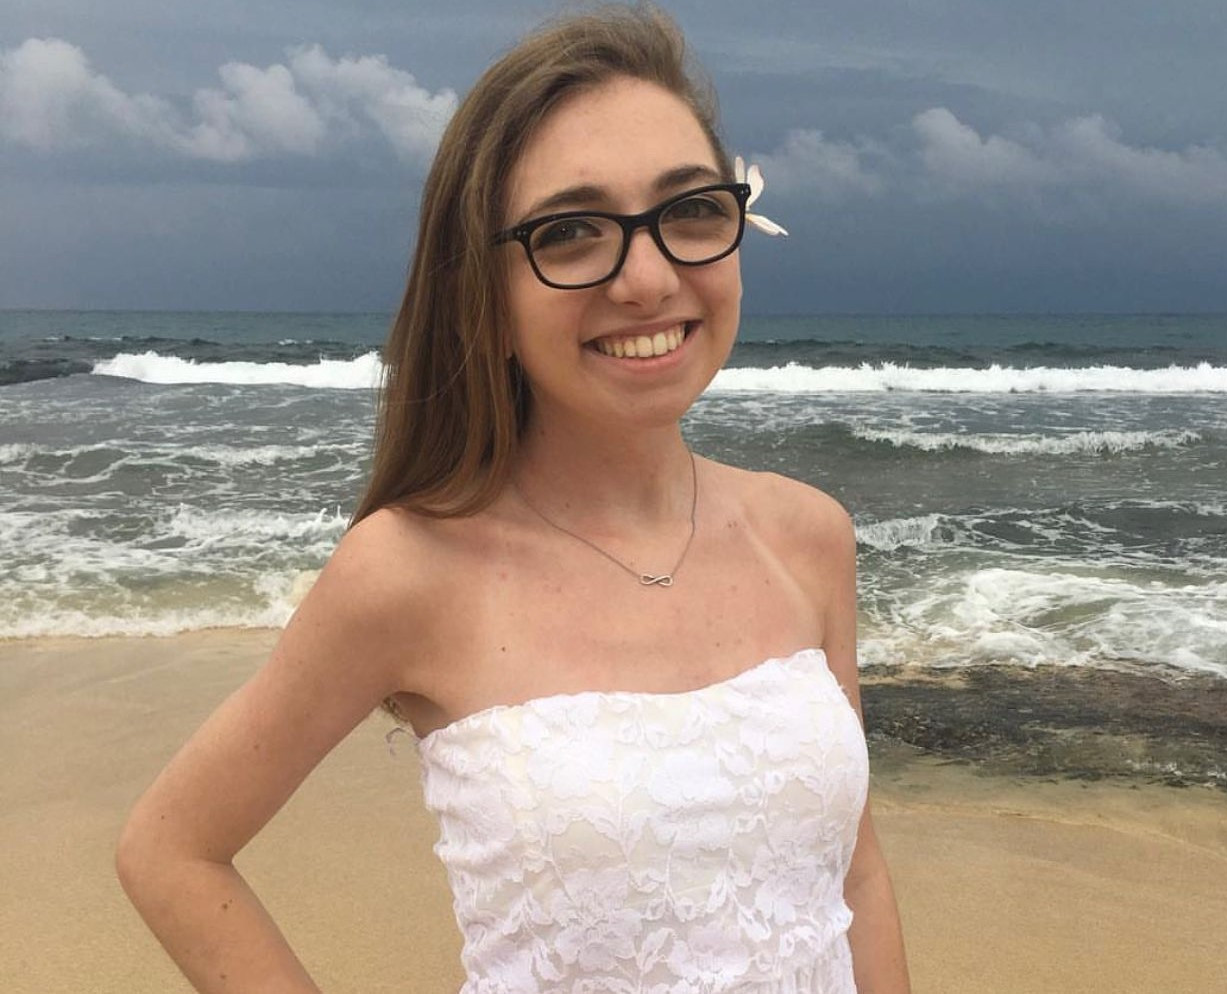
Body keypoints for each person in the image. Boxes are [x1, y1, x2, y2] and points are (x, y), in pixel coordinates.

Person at [116, 4, 911, 992]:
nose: (648, 277)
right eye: (569, 232)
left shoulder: (806, 536)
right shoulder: (409, 570)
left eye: (691, 210)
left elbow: (853, 876)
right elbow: (171, 849)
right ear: (482, 298)